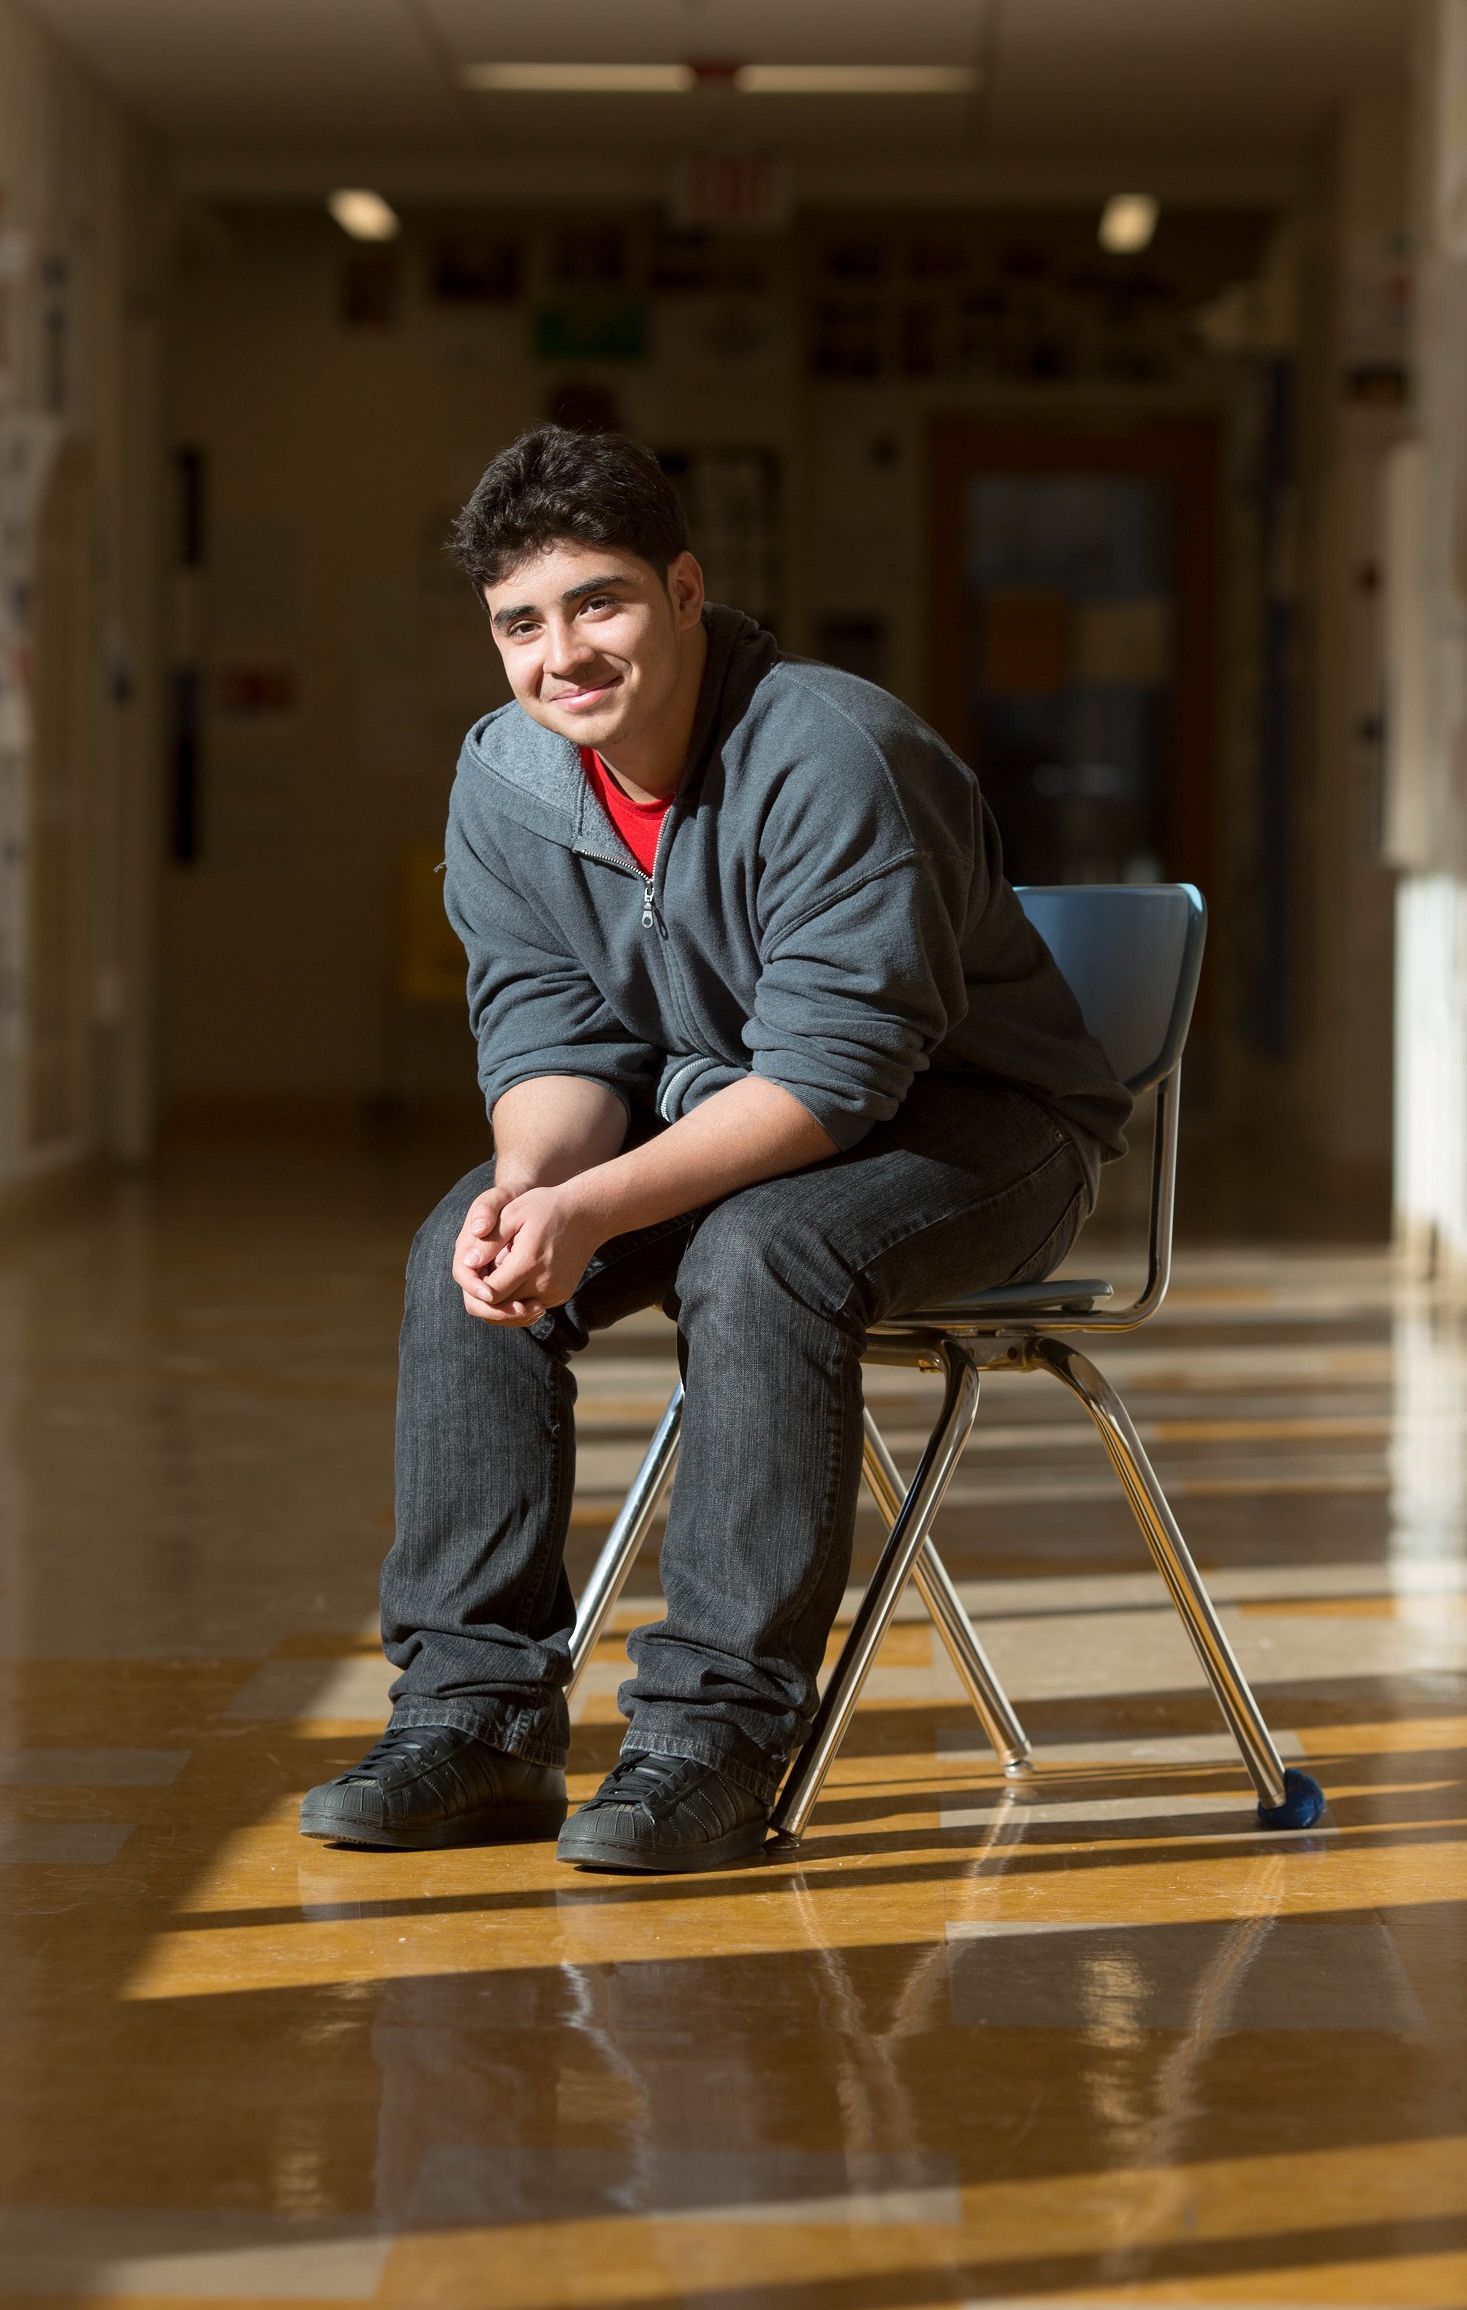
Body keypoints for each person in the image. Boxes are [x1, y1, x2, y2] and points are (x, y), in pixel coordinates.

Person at [301, 425, 1130, 1874]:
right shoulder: (507, 779)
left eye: (600, 602)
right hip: (718, 1107)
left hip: (979, 1128)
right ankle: (475, 1716)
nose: (563, 653)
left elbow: (833, 1079)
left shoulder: (835, 753)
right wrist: (532, 1194)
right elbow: (553, 1036)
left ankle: (713, 1738)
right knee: (465, 1245)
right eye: (521, 622)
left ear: (684, 591)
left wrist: (598, 1202)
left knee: (766, 1254)